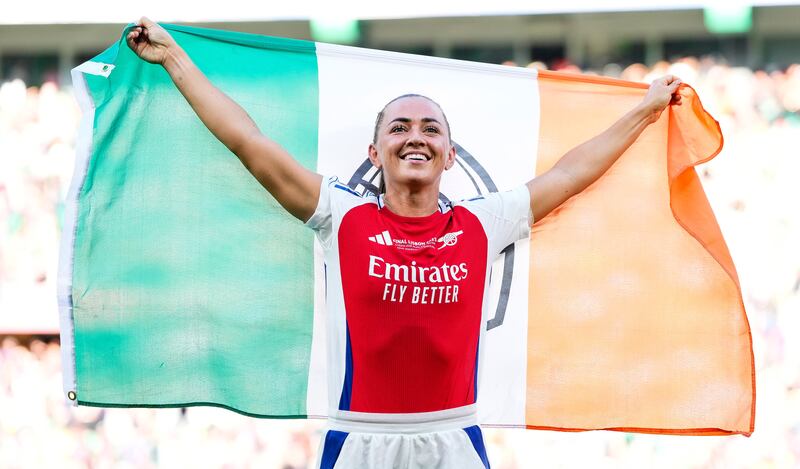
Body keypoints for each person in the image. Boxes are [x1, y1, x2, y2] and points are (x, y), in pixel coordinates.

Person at [126, 17, 683, 469]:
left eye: (430, 129)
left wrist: (645, 108)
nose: (414, 135)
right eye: (398, 127)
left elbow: (569, 174)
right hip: (360, 442)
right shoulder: (339, 216)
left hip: (454, 439)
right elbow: (247, 141)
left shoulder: (482, 224)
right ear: (374, 153)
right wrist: (175, 59)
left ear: (449, 154)